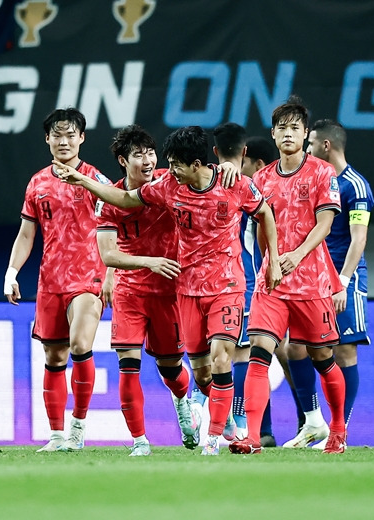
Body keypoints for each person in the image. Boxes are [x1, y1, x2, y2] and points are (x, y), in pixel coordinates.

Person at [56, 124, 281, 456]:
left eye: (159, 157)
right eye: (142, 155)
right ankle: (153, 436)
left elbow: (261, 210)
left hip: (214, 287)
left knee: (216, 361)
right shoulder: (164, 187)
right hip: (169, 290)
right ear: (123, 160)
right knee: (189, 372)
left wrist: (272, 260)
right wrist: (85, 181)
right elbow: (121, 211)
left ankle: (213, 437)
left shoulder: (219, 182)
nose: (158, 164)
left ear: (194, 164)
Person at [229, 96, 348, 455]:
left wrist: (295, 255)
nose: (288, 133)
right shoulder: (262, 178)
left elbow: (325, 224)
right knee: (259, 352)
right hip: (273, 284)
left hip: (312, 282)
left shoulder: (322, 173)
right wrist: (269, 264)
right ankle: (252, 437)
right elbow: (260, 228)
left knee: (323, 358)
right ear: (273, 133)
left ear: (305, 133)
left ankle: (338, 429)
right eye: (281, 128)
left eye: (295, 127)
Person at [4, 107, 111, 453]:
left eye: (71, 135)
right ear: (47, 139)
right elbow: (26, 234)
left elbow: (118, 225)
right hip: (50, 281)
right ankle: (55, 435)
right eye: (57, 135)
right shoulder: (37, 183)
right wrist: (11, 272)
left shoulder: (96, 180)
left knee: (80, 345)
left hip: (89, 277)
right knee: (53, 357)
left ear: (82, 138)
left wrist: (112, 273)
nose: (64, 141)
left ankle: (78, 428)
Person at [96, 124, 199, 455]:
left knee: (171, 369)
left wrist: (226, 164)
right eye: (139, 155)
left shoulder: (170, 182)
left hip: (169, 290)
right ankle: (140, 441)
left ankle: (183, 401)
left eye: (151, 153)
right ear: (123, 161)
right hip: (131, 292)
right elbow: (108, 255)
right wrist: (148, 262)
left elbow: (203, 175)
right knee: (128, 365)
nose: (148, 161)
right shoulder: (109, 201)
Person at [282, 119, 374, 450]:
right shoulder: (314, 180)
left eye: (310, 144)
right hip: (311, 277)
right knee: (294, 348)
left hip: (343, 277)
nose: (305, 149)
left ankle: (340, 430)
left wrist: (343, 282)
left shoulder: (356, 186)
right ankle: (313, 422)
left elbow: (358, 238)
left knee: (344, 350)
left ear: (326, 146)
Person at [217, 134, 280, 448]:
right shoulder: (243, 185)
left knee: (246, 354)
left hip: (241, 280)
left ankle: (248, 427)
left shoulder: (246, 188)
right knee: (250, 355)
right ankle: (258, 429)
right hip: (232, 281)